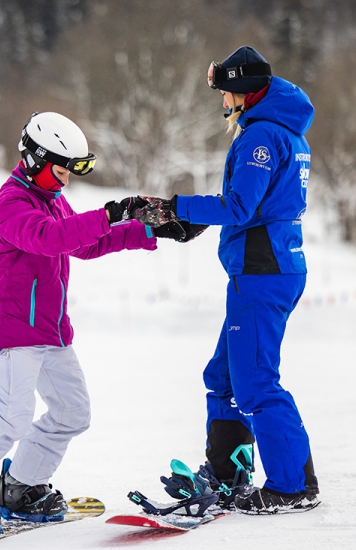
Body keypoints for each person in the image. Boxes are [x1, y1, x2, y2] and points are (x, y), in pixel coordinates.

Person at [0, 112, 186, 540]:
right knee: (11, 417)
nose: (66, 179)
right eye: (60, 169)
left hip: (51, 333)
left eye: (71, 170)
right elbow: (51, 238)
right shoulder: (12, 202)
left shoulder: (50, 198)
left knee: (73, 412)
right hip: (15, 332)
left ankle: (21, 485)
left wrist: (149, 230)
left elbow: (86, 242)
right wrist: (110, 212)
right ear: (34, 159)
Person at [132, 46, 320, 515]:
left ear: (244, 92)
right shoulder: (283, 132)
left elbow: (240, 206)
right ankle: (229, 472)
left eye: (225, 94)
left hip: (263, 272)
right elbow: (252, 204)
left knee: (255, 383)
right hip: (264, 268)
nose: (223, 104)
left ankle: (294, 485)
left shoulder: (260, 138)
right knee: (223, 377)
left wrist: (179, 208)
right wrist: (198, 219)